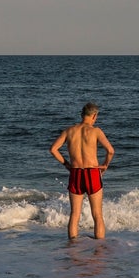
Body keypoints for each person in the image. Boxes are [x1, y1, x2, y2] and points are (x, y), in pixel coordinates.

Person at [50, 102, 115, 240]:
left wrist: (66, 164)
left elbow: (53, 149)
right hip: (92, 173)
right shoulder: (96, 131)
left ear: (82, 115)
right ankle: (99, 250)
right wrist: (105, 165)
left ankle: (73, 249)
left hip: (76, 172)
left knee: (75, 214)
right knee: (97, 215)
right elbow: (110, 151)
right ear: (94, 115)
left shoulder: (69, 130)